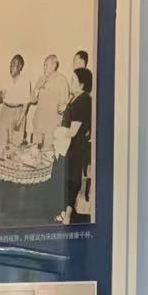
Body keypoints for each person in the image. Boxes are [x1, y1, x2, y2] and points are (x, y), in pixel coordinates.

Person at [57, 67, 92, 224]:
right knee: (67, 180)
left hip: (76, 147)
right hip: (70, 146)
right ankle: (65, 212)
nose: (70, 83)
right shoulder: (76, 99)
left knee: (73, 181)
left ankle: (68, 216)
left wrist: (57, 133)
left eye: (73, 80)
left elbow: (72, 132)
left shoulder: (83, 102)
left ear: (82, 85)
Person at [30, 54, 69, 146]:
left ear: (54, 65)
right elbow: (32, 100)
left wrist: (59, 123)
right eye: (44, 65)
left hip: (52, 125)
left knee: (48, 151)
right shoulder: (41, 79)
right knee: (36, 150)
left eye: (46, 65)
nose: (44, 68)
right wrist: (38, 88)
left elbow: (63, 106)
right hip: (38, 123)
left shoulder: (61, 80)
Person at [0, 54, 31, 148]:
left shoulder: (25, 81)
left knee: (15, 145)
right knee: (1, 142)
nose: (11, 67)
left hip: (19, 112)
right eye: (10, 64)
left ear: (20, 67)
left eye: (14, 64)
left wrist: (19, 121)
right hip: (5, 110)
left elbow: (26, 104)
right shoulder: (5, 79)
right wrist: (0, 96)